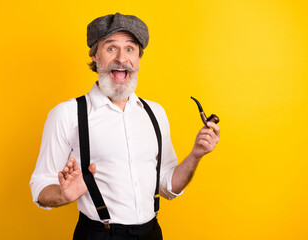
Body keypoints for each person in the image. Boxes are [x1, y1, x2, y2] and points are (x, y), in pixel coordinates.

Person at [29, 12, 220, 240]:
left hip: (151, 233)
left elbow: (168, 187)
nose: (121, 58)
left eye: (130, 48)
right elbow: (40, 185)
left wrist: (196, 155)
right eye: (111, 48)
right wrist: (62, 195)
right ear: (95, 55)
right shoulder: (67, 114)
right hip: (99, 235)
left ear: (139, 58)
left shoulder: (155, 113)